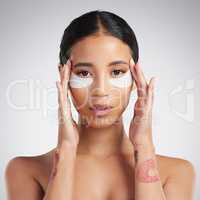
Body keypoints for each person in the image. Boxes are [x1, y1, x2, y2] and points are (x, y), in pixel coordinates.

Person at [5, 10, 196, 200]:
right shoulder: (25, 171)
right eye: (84, 74)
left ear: (135, 77)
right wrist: (66, 150)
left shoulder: (177, 173)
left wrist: (144, 147)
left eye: (117, 72)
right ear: (64, 77)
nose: (101, 90)